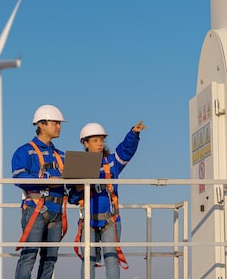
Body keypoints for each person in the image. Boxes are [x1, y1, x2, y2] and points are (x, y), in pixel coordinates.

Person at [71, 120, 146, 279]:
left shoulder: (112, 163)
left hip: (110, 220)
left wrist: (133, 133)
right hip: (88, 221)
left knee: (112, 259)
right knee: (88, 260)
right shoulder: (78, 165)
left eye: (101, 140)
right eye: (95, 140)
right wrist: (78, 188)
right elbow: (72, 196)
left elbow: (126, 150)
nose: (99, 144)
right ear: (85, 143)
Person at [12, 104, 68, 279]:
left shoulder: (62, 155)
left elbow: (71, 186)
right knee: (29, 255)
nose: (59, 127)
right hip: (35, 208)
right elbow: (18, 179)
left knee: (50, 258)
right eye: (55, 123)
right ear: (41, 124)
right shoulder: (24, 152)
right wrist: (47, 180)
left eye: (59, 123)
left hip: (57, 211)